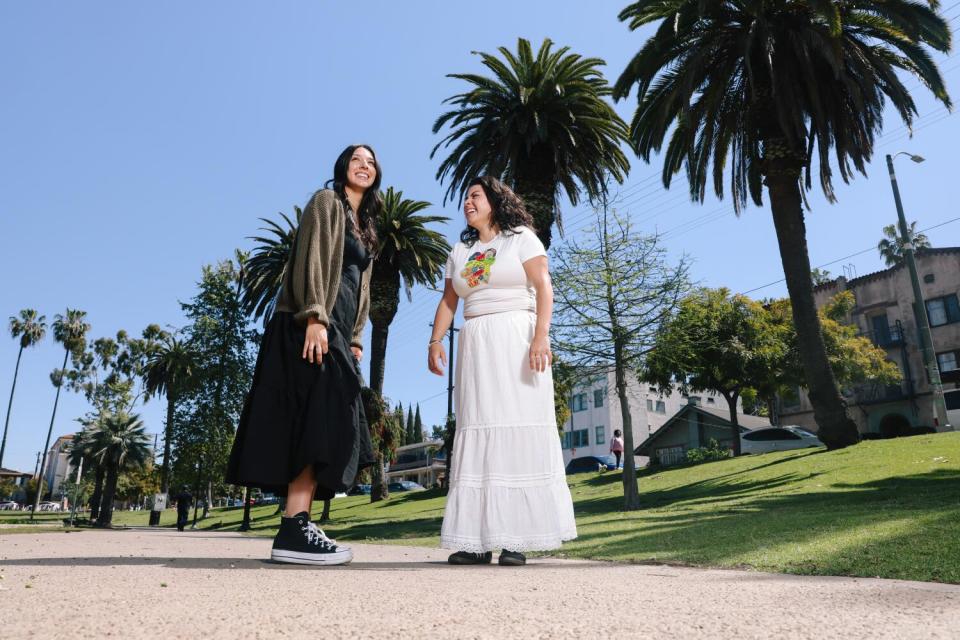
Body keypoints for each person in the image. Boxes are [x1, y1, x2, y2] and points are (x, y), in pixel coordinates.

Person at [227, 144, 380, 566]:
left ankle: (297, 522)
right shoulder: (326, 203)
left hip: (337, 333)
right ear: (342, 168)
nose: (364, 166)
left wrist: (354, 337)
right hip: (308, 325)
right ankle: (293, 526)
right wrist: (315, 316)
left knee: (325, 423)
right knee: (313, 421)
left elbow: (359, 288)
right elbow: (312, 256)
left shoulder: (366, 227)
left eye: (371, 162)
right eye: (356, 160)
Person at [428, 176, 577, 567]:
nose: (467, 202)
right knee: (479, 429)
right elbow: (449, 301)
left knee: (518, 428)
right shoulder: (461, 249)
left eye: (475, 195)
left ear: (495, 200)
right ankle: (477, 543)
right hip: (477, 346)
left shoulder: (522, 238)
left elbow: (544, 285)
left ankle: (516, 540)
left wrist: (541, 337)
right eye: (465, 197)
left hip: (518, 341)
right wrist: (436, 340)